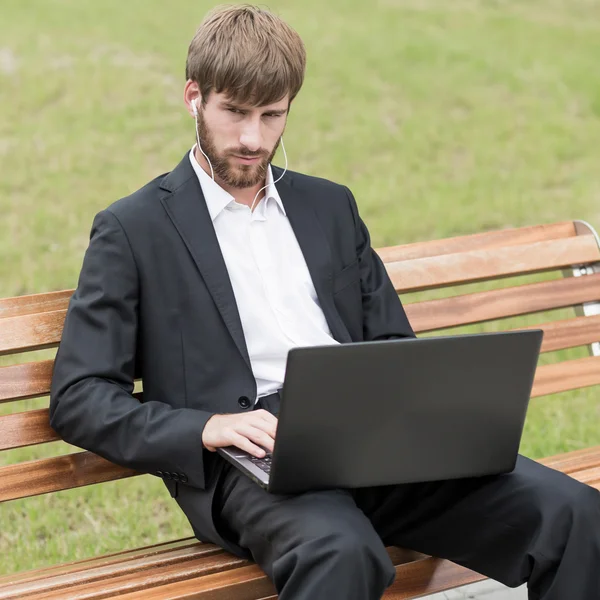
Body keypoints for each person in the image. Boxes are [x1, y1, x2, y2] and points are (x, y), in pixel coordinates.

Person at [49, 5, 600, 599]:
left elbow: (392, 343)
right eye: (233, 112)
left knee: (572, 512)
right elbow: (79, 398)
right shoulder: (134, 229)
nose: (252, 138)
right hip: (250, 457)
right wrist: (206, 426)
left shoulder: (329, 208)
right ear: (193, 97)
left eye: (271, 115)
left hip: (372, 436)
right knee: (341, 553)